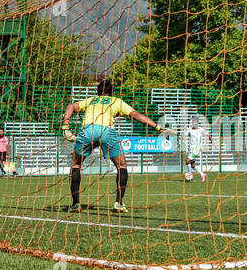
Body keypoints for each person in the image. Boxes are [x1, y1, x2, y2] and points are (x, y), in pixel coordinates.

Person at [61, 80, 170, 213]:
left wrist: (66, 128)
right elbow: (135, 115)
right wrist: (157, 126)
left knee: (76, 165)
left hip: (87, 130)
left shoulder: (91, 101)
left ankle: (76, 204)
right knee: (121, 165)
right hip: (107, 131)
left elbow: (70, 106)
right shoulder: (116, 101)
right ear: (112, 92)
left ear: (98, 92)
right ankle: (118, 203)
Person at [181, 116, 213, 182]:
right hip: (190, 149)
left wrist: (212, 142)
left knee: (187, 161)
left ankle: (190, 174)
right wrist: (183, 137)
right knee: (192, 165)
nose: (194, 123)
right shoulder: (189, 129)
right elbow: (185, 136)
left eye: (195, 121)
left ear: (198, 122)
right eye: (193, 121)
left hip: (197, 150)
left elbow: (209, 135)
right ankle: (202, 174)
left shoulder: (201, 130)